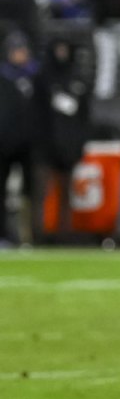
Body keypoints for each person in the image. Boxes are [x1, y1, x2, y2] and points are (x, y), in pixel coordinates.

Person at [34, 38, 90, 237]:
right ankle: (39, 234)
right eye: (58, 48)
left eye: (65, 48)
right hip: (46, 146)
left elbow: (85, 116)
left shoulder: (77, 78)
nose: (61, 53)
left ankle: (64, 234)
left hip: (69, 146)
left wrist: (80, 144)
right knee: (42, 191)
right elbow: (36, 114)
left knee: (67, 193)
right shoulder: (43, 78)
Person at [0, 33, 37, 246]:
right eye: (16, 50)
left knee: (29, 193)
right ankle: (3, 234)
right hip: (3, 144)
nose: (21, 54)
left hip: (28, 145)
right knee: (2, 191)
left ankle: (29, 236)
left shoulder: (34, 76)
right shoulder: (3, 77)